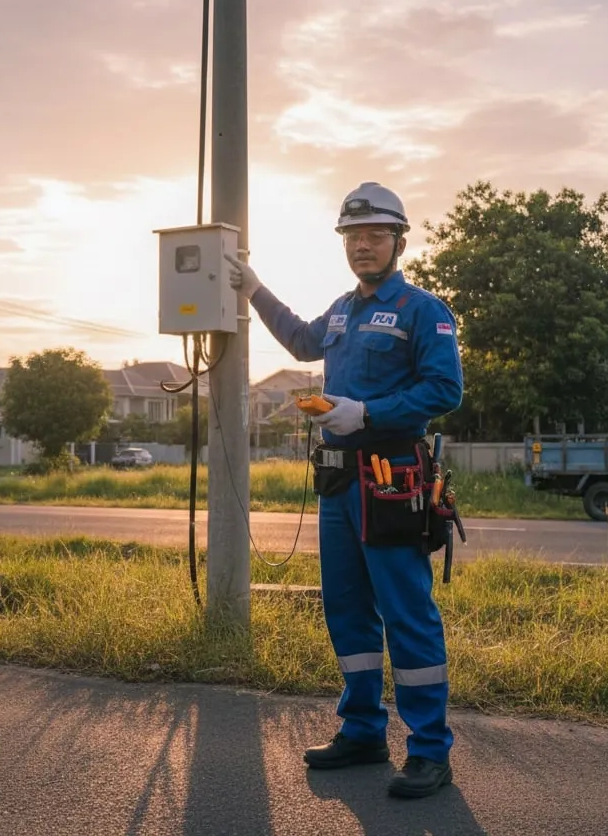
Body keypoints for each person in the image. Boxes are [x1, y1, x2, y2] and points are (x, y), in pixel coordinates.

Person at [224, 181, 463, 800]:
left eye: (375, 235)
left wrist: (368, 413)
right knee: (348, 611)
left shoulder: (424, 310)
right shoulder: (341, 310)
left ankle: (430, 750)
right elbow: (302, 339)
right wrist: (252, 288)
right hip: (337, 482)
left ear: (398, 241)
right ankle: (362, 731)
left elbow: (444, 392)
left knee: (408, 613)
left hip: (392, 479)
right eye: (353, 236)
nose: (362, 245)